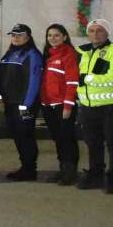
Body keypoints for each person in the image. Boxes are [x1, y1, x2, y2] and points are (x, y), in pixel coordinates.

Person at [76, 19, 113, 193]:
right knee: (92, 143)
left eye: (100, 30)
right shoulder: (83, 52)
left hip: (109, 106)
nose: (95, 34)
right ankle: (96, 174)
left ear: (107, 33)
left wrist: (88, 79)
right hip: (87, 106)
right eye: (92, 31)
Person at [0, 24, 44, 181]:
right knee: (18, 135)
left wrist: (26, 105)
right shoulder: (9, 54)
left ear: (28, 37)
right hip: (10, 104)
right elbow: (2, 78)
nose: (16, 38)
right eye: (13, 35)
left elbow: (34, 81)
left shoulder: (32, 55)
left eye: (20, 35)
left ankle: (30, 170)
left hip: (24, 106)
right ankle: (25, 167)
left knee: (26, 135)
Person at [41, 24, 81, 186]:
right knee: (58, 139)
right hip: (48, 104)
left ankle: (71, 172)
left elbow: (72, 82)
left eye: (56, 35)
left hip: (62, 106)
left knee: (67, 139)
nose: (52, 38)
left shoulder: (69, 54)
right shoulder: (48, 55)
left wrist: (68, 106)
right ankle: (63, 169)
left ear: (64, 37)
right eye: (49, 35)